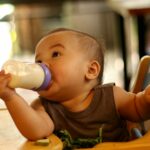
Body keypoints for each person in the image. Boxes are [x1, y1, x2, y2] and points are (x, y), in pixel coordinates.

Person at [0, 28, 150, 148]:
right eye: (38, 60)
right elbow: (36, 131)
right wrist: (10, 97)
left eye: (55, 54)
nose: (42, 65)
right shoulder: (44, 107)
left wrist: (145, 99)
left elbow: (138, 110)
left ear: (90, 70)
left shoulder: (112, 96)